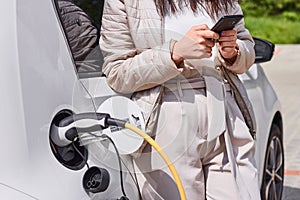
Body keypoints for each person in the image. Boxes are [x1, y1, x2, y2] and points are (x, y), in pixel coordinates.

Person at [100, 0, 261, 199]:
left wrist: (233, 53)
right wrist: (174, 53)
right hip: (166, 116)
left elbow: (247, 49)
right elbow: (117, 72)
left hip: (224, 109)